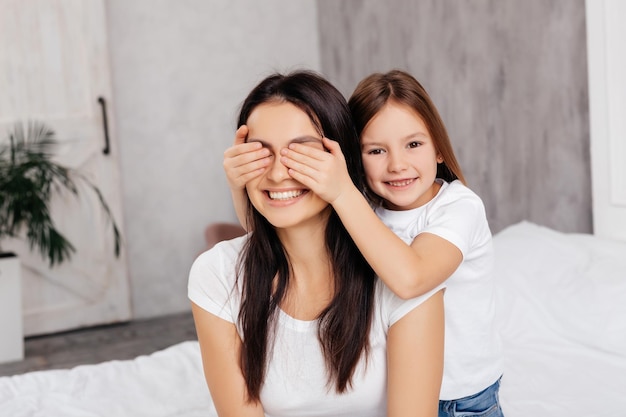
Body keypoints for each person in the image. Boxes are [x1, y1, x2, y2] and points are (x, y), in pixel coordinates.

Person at [224, 69, 504, 417]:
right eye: (375, 151)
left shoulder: (459, 208)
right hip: (393, 394)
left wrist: (342, 191)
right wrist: (242, 185)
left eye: (414, 144)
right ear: (355, 159)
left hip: (461, 400)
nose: (397, 165)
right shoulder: (362, 210)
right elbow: (274, 234)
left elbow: (411, 279)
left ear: (439, 151)